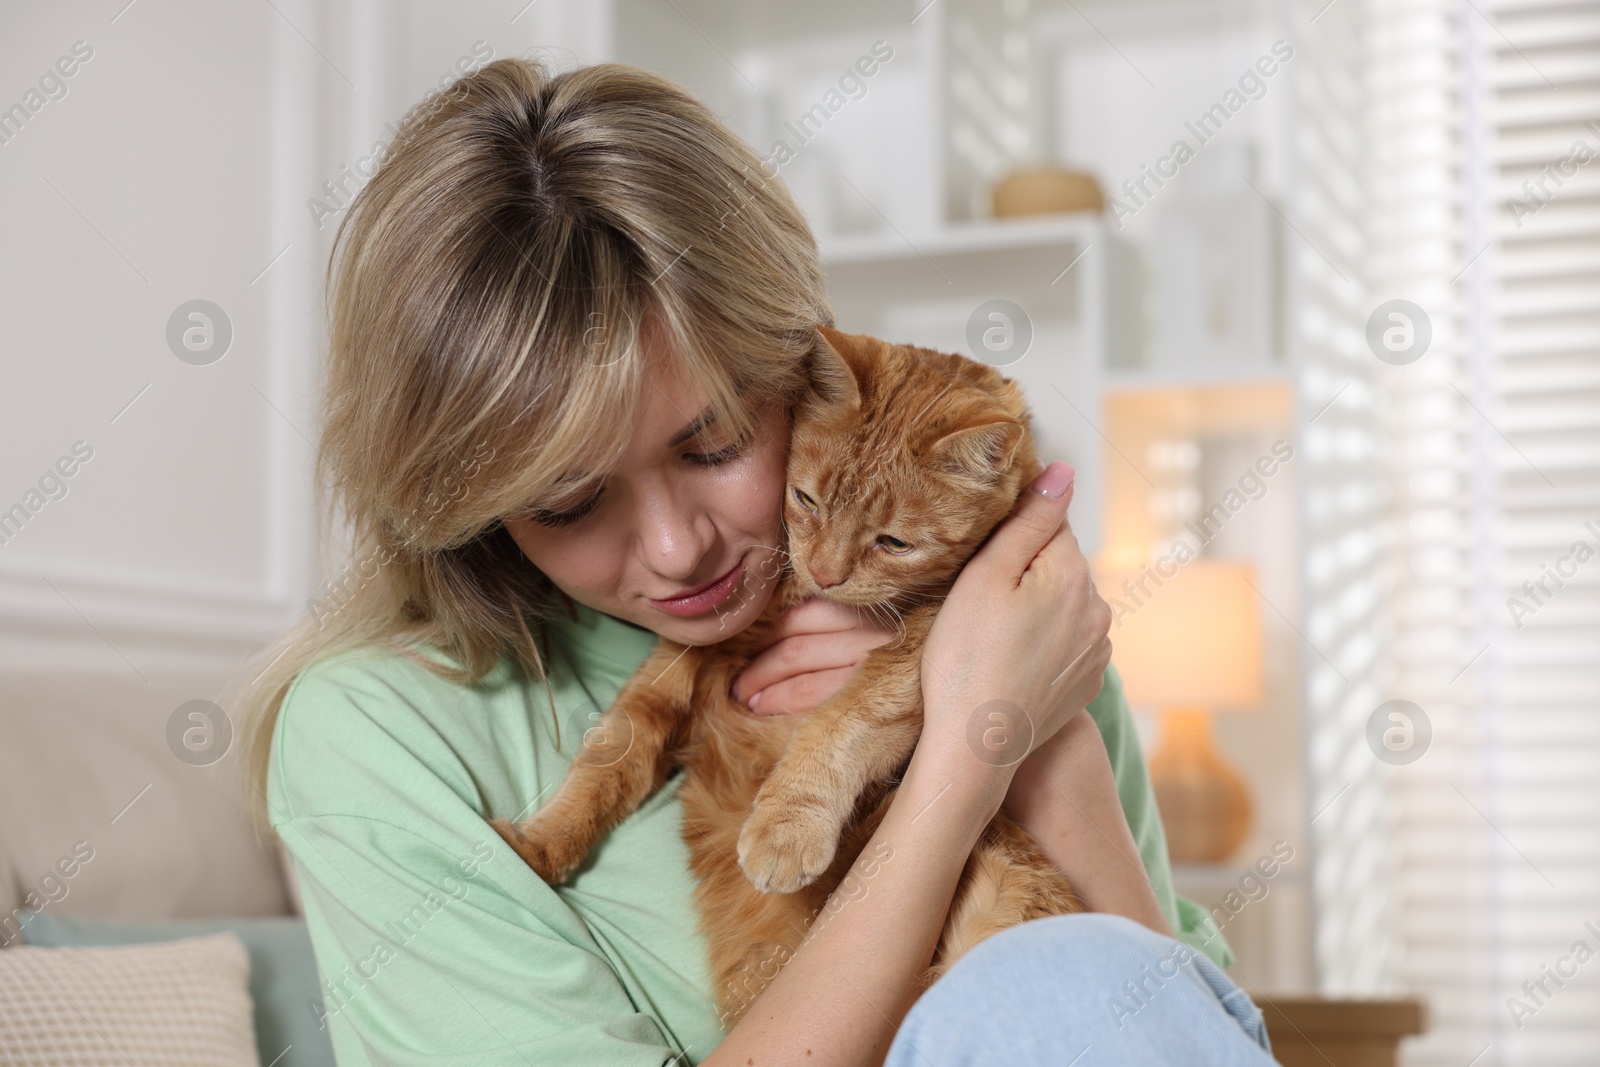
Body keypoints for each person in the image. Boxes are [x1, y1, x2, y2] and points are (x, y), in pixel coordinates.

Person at [238, 57, 1275, 1066]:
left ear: (803, 368)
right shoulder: (375, 733)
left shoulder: (1009, 626)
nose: (675, 546)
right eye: (567, 500)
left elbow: (1168, 1026)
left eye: (716, 443)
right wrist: (964, 758)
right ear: (471, 505)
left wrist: (1051, 747)